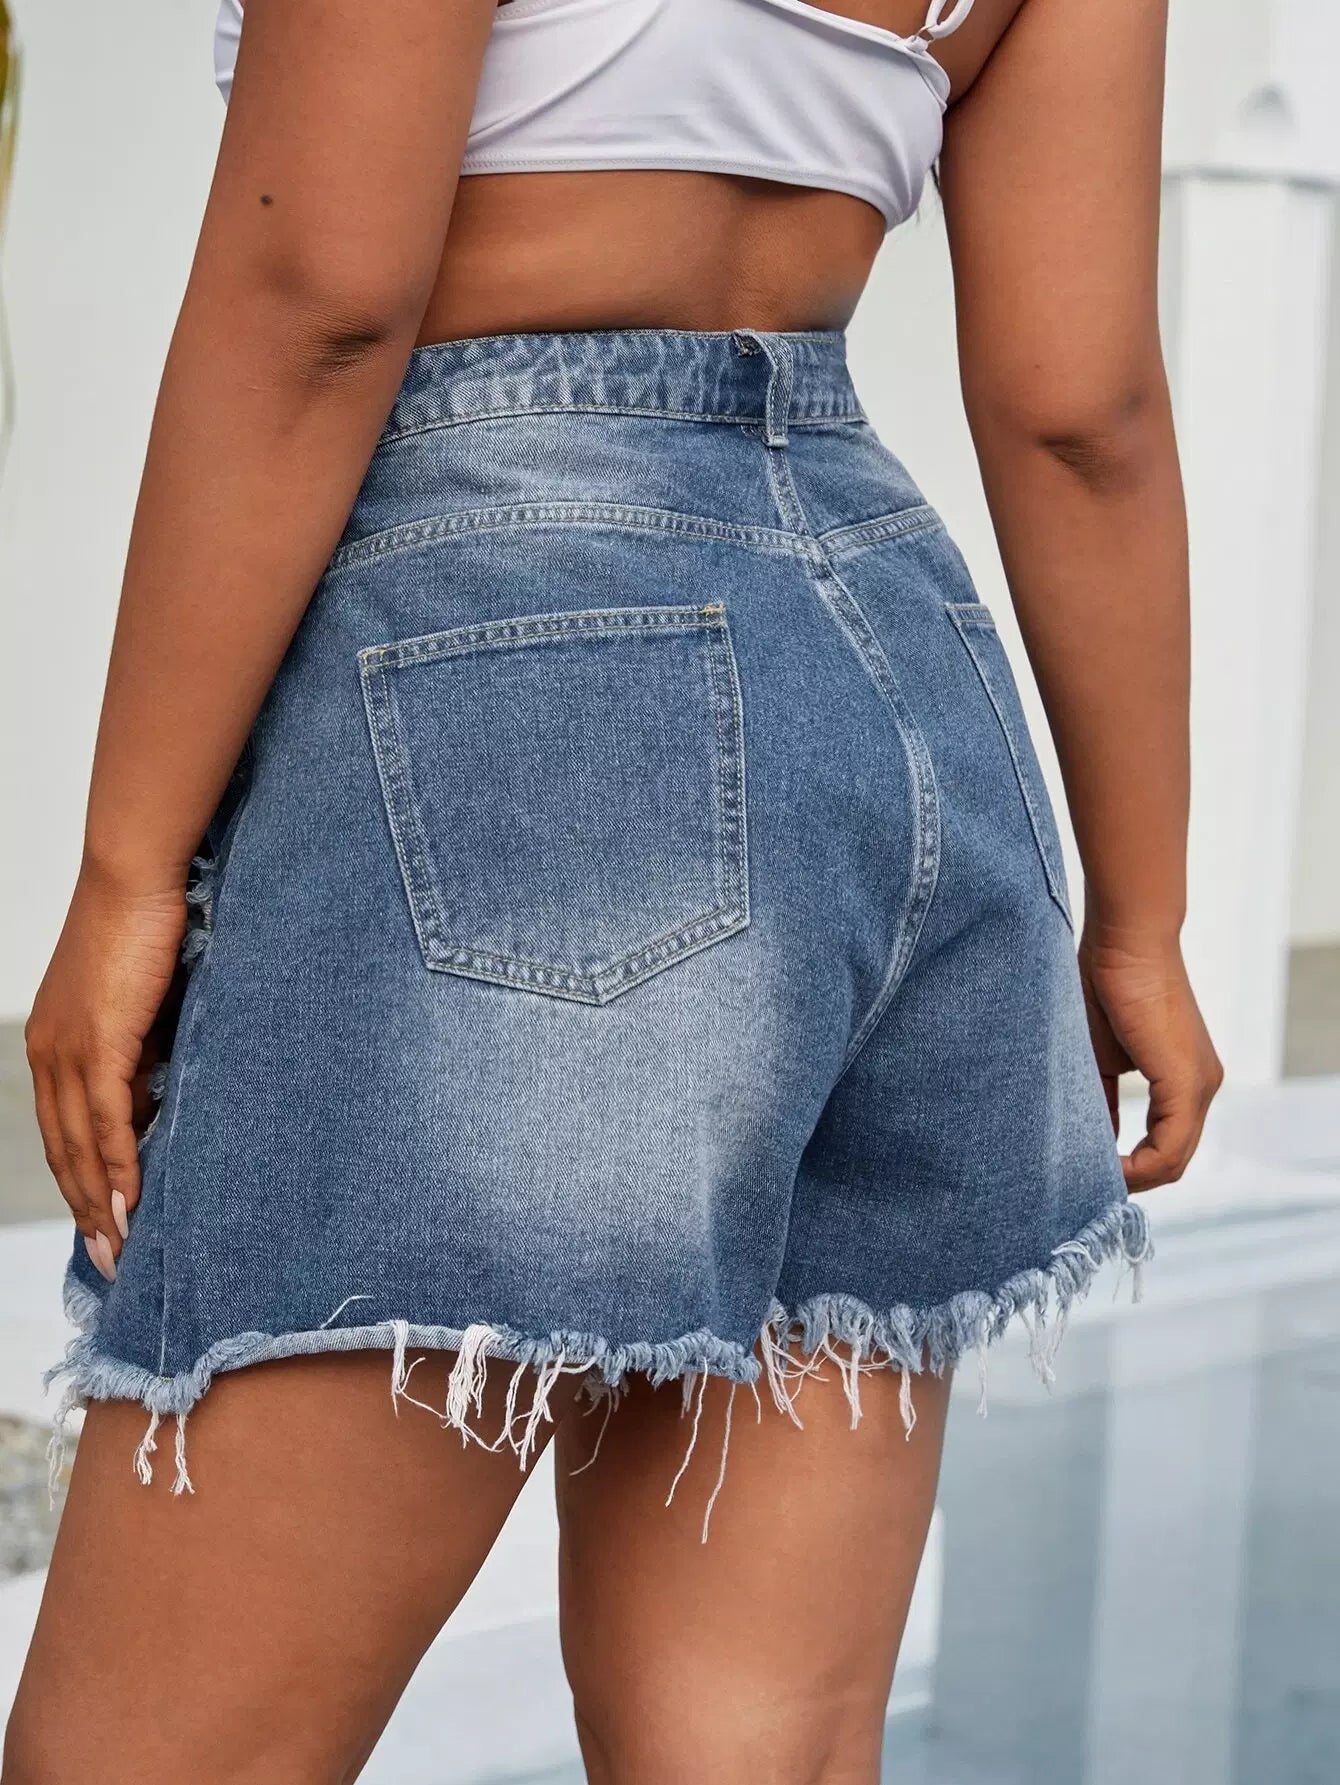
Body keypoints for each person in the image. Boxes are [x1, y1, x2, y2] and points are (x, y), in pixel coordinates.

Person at [6, 1, 1222, 1780]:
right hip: (892, 682)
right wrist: (1141, 911)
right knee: (760, 1746)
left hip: (518, 658)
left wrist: (127, 868)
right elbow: (1078, 408)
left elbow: (323, 293)